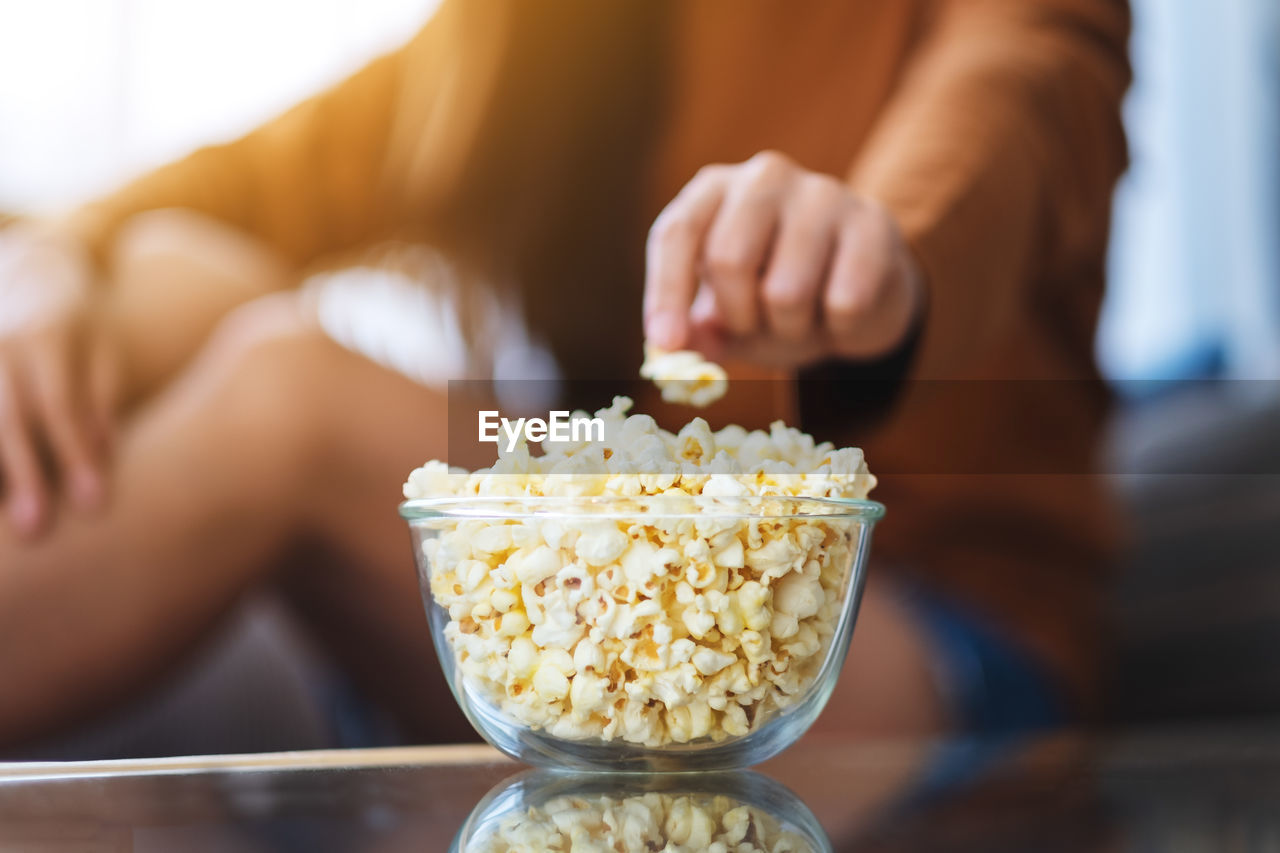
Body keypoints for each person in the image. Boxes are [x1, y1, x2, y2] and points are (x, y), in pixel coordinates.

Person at [0, 0, 1130, 749]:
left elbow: (1023, 92)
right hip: (613, 558)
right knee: (171, 276)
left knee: (291, 393)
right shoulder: (518, 36)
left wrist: (879, 243)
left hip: (920, 637)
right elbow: (220, 191)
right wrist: (45, 260)